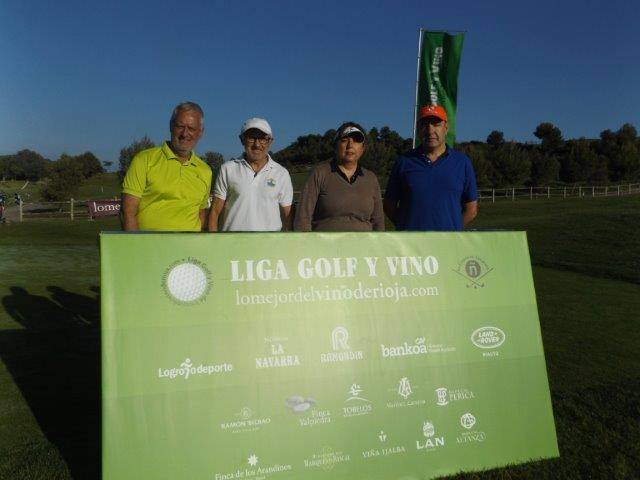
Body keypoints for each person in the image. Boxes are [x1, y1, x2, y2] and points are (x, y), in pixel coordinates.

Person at [383, 105, 478, 231]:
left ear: (446, 127)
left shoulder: (462, 163)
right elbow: (389, 206)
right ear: (419, 129)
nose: (430, 130)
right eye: (425, 124)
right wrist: (406, 227)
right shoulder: (404, 162)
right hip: (412, 245)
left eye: (436, 124)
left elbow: (471, 210)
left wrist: (453, 230)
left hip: (448, 245)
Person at [121, 102, 212, 231]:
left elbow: (201, 213)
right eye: (180, 126)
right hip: (149, 248)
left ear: (201, 132)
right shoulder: (144, 160)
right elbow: (127, 213)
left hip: (190, 249)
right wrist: (135, 246)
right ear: (171, 126)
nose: (185, 133)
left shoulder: (205, 170)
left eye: (191, 128)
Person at [294, 121, 384, 232]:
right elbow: (303, 217)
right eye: (344, 140)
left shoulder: (371, 179)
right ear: (335, 146)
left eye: (356, 141)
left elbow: (378, 222)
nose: (350, 145)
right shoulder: (319, 173)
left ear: (363, 148)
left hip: (364, 247)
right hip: (325, 246)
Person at [208, 118, 293, 231]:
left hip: (269, 246)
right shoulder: (227, 169)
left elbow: (289, 216)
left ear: (270, 141)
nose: (257, 144)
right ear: (242, 140)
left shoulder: (281, 173)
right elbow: (214, 212)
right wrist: (213, 243)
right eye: (251, 138)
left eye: (262, 139)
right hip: (232, 245)